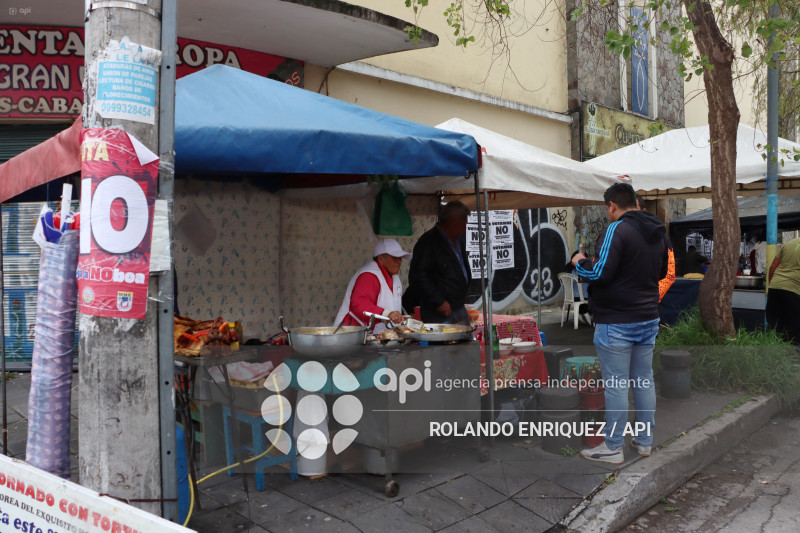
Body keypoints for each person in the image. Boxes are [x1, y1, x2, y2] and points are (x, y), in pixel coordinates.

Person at [571, 182, 668, 464]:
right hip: (648, 317)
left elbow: (599, 272)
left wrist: (579, 261)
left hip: (617, 320)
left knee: (616, 384)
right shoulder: (657, 231)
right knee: (644, 380)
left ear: (612, 206)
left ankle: (613, 447)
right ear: (636, 202)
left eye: (608, 209)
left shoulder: (617, 228)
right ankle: (644, 441)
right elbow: (662, 271)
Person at [404, 201, 471, 324]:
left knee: (464, 340)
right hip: (438, 311)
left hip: (458, 307)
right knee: (444, 341)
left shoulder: (458, 240)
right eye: (462, 223)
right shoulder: (429, 242)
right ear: (451, 220)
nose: (464, 227)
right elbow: (418, 276)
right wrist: (438, 301)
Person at [334, 239, 411, 333]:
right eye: (395, 258)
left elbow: (392, 306)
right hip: (350, 334)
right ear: (381, 258)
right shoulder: (369, 276)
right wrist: (386, 313)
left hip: (375, 336)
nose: (399, 261)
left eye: (400, 258)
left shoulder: (394, 277)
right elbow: (359, 303)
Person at [636, 195, 675, 300]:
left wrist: (650, 298)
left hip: (646, 305)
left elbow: (669, 274)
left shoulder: (659, 237)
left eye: (633, 209)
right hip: (617, 308)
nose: (629, 214)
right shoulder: (613, 235)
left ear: (643, 211)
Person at [766, 236, 800, 344]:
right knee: (794, 329)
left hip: (775, 288)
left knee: (774, 326)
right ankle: (793, 358)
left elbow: (772, 267)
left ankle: (772, 355)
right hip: (793, 290)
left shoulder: (789, 244)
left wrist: (772, 285)